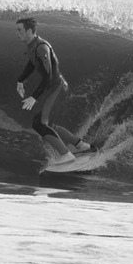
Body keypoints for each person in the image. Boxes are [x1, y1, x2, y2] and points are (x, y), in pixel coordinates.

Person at [15, 17, 91, 163]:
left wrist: (34, 97)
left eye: (19, 30)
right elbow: (31, 64)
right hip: (54, 87)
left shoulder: (41, 47)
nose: (16, 33)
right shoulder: (32, 46)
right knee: (48, 124)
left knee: (39, 124)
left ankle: (67, 156)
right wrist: (20, 80)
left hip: (56, 87)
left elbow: (48, 76)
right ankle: (81, 145)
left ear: (29, 31)